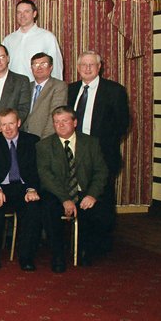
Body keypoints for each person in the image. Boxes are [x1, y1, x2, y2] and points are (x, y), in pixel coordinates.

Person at [68, 50, 129, 252]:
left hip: (103, 154)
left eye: (91, 65)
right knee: (79, 195)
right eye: (83, 65)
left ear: (99, 67)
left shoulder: (114, 91)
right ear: (78, 68)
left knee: (101, 199)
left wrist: (101, 146)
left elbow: (123, 124)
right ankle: (81, 242)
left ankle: (101, 245)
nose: (87, 68)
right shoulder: (70, 90)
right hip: (75, 154)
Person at [36, 106, 111, 272]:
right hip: (57, 192)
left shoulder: (91, 143)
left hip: (83, 190)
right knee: (48, 207)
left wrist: (92, 195)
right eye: (56, 122)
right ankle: (57, 254)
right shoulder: (44, 146)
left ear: (75, 122)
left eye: (65, 121)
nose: (60, 125)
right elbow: (46, 177)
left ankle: (85, 250)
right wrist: (65, 199)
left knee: (98, 209)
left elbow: (101, 171)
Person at [0, 109, 42, 271]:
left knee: (33, 208)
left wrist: (32, 188)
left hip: (25, 187)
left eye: (11, 124)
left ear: (19, 123)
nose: (8, 129)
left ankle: (26, 258)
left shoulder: (32, 141)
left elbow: (39, 170)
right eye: (3, 125)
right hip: (1, 188)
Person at [3, 0, 64, 81]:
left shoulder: (47, 37)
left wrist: (56, 90)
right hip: (13, 89)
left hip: (38, 89)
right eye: (19, 12)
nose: (22, 15)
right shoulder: (9, 40)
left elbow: (56, 67)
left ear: (34, 14)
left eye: (26, 12)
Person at [23, 52, 68, 139]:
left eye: (43, 64)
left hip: (45, 139)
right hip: (24, 139)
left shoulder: (59, 86)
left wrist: (44, 140)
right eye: (35, 64)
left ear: (51, 67)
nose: (39, 67)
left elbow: (55, 116)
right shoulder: (27, 86)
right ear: (31, 68)